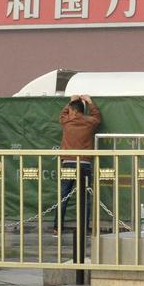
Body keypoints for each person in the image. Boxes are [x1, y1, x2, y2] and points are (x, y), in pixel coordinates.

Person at [53, 94, 101, 235]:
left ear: (72, 110)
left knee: (63, 196)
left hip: (68, 162)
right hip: (85, 162)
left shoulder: (67, 121)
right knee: (85, 198)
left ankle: (57, 227)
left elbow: (62, 114)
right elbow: (97, 117)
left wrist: (71, 101)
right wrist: (90, 102)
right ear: (82, 110)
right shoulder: (89, 122)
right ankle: (84, 228)